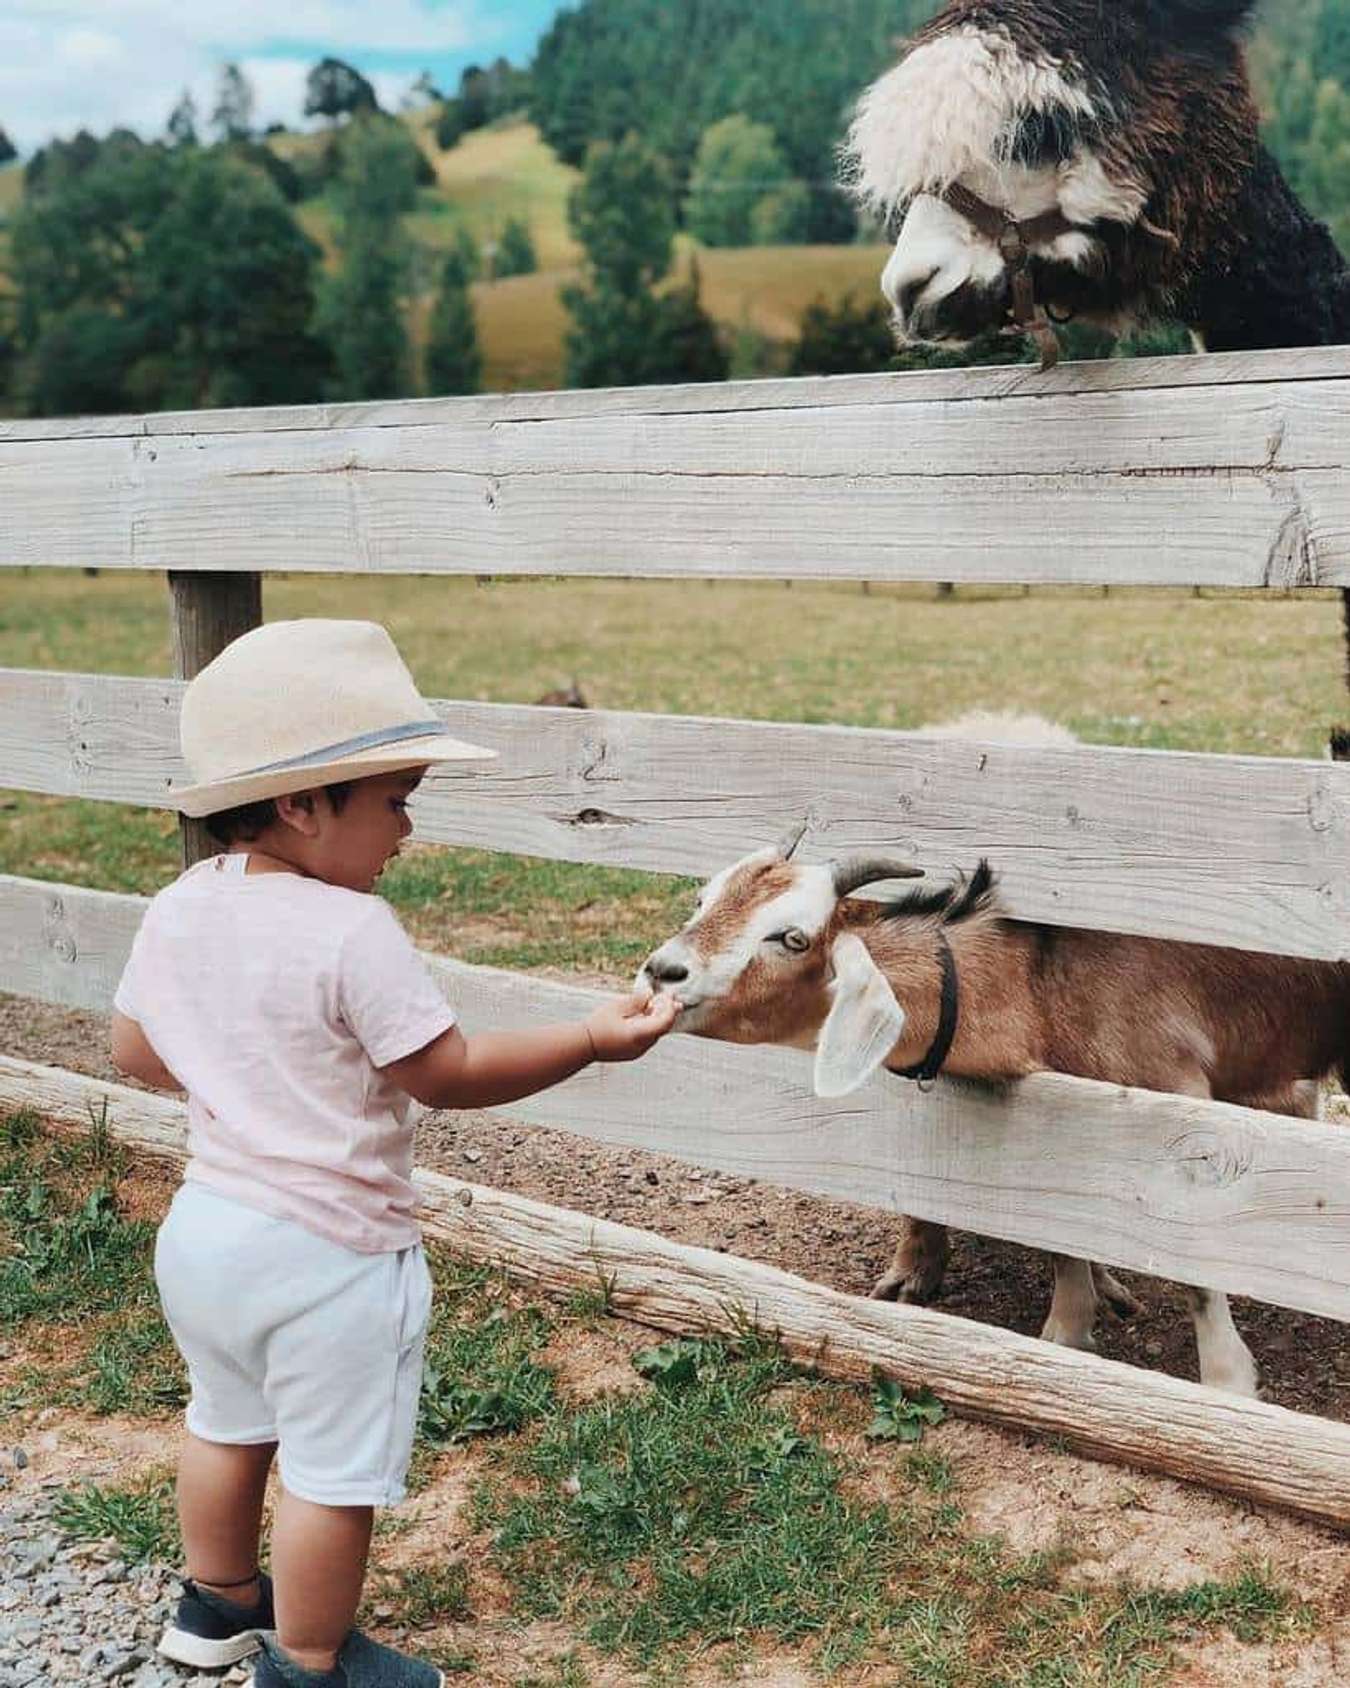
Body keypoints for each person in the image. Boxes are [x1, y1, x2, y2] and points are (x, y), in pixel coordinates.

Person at [110, 619, 679, 1688]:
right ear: (302, 801)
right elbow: (447, 1070)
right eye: (396, 797)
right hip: (329, 1257)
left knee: (225, 1422)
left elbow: (135, 1047)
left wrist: (246, 1074)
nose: (409, 825)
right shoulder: (350, 927)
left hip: (206, 1234)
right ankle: (312, 1661)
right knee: (330, 1476)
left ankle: (215, 1605)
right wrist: (596, 1038)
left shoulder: (181, 904)